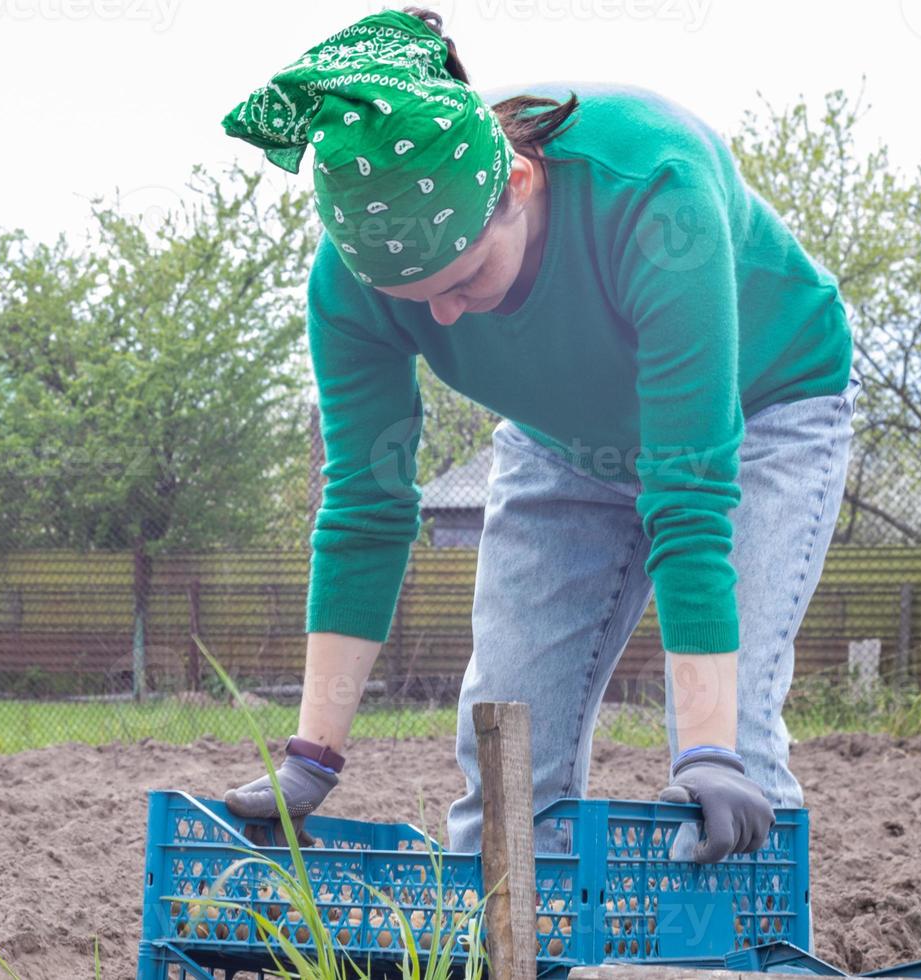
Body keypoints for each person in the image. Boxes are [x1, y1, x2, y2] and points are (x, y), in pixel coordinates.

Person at [217, 7, 860, 862]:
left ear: (517, 184)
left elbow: (690, 493)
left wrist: (707, 752)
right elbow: (365, 509)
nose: (443, 315)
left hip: (764, 412)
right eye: (416, 299)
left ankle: (752, 949)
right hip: (562, 439)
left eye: (466, 276)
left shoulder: (654, 191)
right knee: (506, 742)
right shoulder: (355, 279)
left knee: (728, 742)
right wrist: (312, 756)